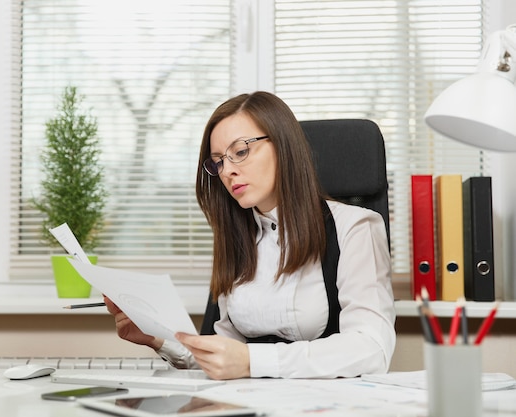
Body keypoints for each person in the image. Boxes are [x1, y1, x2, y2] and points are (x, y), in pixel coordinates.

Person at [105, 91, 396, 380]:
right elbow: (228, 354)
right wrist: (157, 338)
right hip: (248, 403)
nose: (228, 170)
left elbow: (371, 348)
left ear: (283, 146)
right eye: (218, 162)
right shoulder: (236, 237)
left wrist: (252, 361)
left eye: (240, 152)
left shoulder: (355, 226)